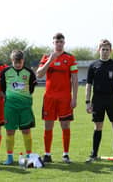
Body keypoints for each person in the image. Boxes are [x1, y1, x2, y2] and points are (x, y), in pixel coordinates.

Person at [37, 32, 78, 164]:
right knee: (48, 125)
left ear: (64, 43)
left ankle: (65, 154)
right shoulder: (46, 57)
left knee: (65, 125)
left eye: (61, 42)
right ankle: (47, 154)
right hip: (49, 98)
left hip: (65, 98)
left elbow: (75, 79)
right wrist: (50, 60)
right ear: (53, 43)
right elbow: (39, 74)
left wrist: (74, 98)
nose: (59, 44)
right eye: (56, 42)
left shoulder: (70, 58)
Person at [85, 39, 113, 163]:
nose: (105, 52)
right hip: (97, 99)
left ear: (111, 51)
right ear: (99, 50)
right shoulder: (93, 66)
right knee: (98, 126)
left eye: (107, 49)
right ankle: (94, 154)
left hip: (112, 98)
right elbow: (88, 85)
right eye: (102, 49)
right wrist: (87, 102)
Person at [1, 50, 37, 165]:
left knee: (26, 130)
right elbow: (2, 88)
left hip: (25, 107)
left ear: (23, 60)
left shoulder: (29, 72)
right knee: (10, 131)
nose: (18, 64)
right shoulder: (5, 72)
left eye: (20, 62)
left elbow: (31, 88)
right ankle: (9, 157)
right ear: (11, 61)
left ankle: (29, 156)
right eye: (15, 62)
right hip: (10, 107)